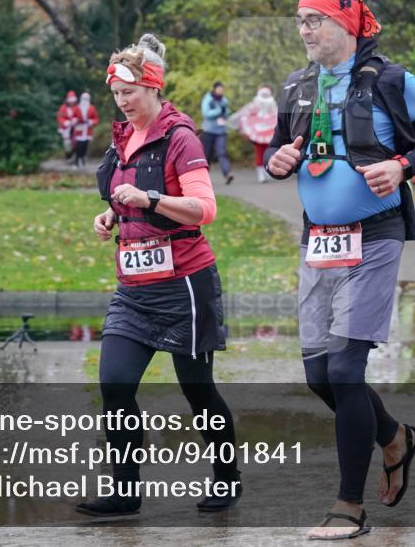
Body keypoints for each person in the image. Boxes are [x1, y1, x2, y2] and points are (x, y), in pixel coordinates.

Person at [264, 0, 415, 539]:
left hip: (376, 235)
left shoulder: (394, 80)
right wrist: (278, 162)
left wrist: (403, 167)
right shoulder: (296, 86)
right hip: (318, 239)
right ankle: (394, 435)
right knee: (320, 374)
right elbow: (282, 152)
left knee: (346, 369)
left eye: (313, 20)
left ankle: (349, 507)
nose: (304, 31)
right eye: (299, 21)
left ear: (347, 25)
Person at [77, 34, 242, 519]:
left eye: (129, 92)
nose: (122, 102)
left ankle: (227, 478)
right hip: (134, 289)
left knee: (198, 390)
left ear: (152, 88)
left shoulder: (180, 138)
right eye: (116, 94)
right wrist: (112, 215)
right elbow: (122, 194)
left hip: (185, 286)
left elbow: (203, 209)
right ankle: (125, 494)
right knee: (116, 385)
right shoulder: (121, 138)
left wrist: (147, 201)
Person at [228, 85, 278, 183]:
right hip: (259, 132)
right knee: (262, 152)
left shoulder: (270, 104)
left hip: (267, 132)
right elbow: (245, 115)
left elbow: (275, 115)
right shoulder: (256, 104)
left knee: (267, 152)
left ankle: (265, 172)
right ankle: (261, 174)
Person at [200, 81, 234, 184]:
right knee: (207, 154)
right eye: (219, 89)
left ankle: (228, 173)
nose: (221, 91)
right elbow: (206, 113)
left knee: (222, 152)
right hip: (209, 130)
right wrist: (218, 111)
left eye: (222, 89)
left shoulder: (224, 100)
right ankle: (203, 178)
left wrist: (225, 112)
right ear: (215, 89)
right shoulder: (208, 99)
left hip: (221, 130)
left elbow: (227, 113)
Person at [72, 91, 99, 169]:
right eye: (84, 98)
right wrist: (75, 120)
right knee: (78, 145)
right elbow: (73, 116)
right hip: (79, 128)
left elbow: (96, 119)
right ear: (81, 99)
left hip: (87, 129)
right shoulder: (77, 107)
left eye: (86, 99)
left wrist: (91, 122)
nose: (85, 100)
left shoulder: (91, 108)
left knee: (85, 145)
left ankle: (82, 159)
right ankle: (77, 161)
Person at [56, 91, 77, 162]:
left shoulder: (77, 107)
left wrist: (76, 120)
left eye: (73, 101)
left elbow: (80, 116)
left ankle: (73, 157)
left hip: (75, 128)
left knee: (75, 143)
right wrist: (65, 122)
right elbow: (60, 117)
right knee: (67, 144)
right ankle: (68, 157)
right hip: (66, 128)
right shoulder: (63, 108)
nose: (72, 103)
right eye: (71, 101)